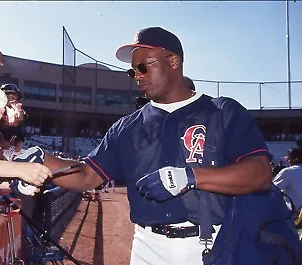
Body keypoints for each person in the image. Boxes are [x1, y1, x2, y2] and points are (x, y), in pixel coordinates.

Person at [34, 27, 301, 264]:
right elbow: (86, 176)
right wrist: (39, 158)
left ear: (173, 61)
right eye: (132, 71)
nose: (137, 76)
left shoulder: (222, 112)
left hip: (209, 244)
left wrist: (190, 177)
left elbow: (260, 173)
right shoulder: (126, 127)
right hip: (146, 246)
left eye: (143, 67)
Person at [273, 148, 302, 215]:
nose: (287, 160)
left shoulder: (289, 171)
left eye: (289, 158)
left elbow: (272, 190)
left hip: (295, 215)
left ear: (295, 159)